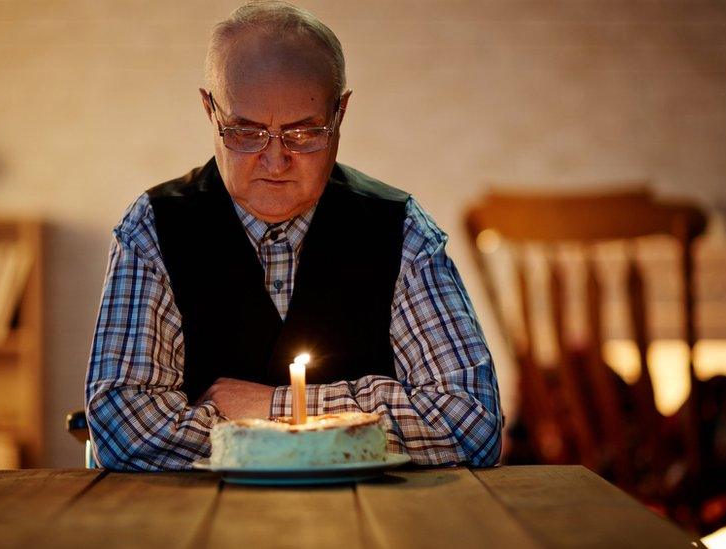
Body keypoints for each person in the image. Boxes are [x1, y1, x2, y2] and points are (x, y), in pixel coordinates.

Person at [85, 0, 502, 471]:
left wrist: (269, 409)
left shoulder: (401, 229)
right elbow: (123, 428)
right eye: (246, 132)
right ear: (210, 110)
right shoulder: (153, 228)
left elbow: (472, 426)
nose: (276, 160)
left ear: (340, 114)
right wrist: (352, 430)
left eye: (304, 134)